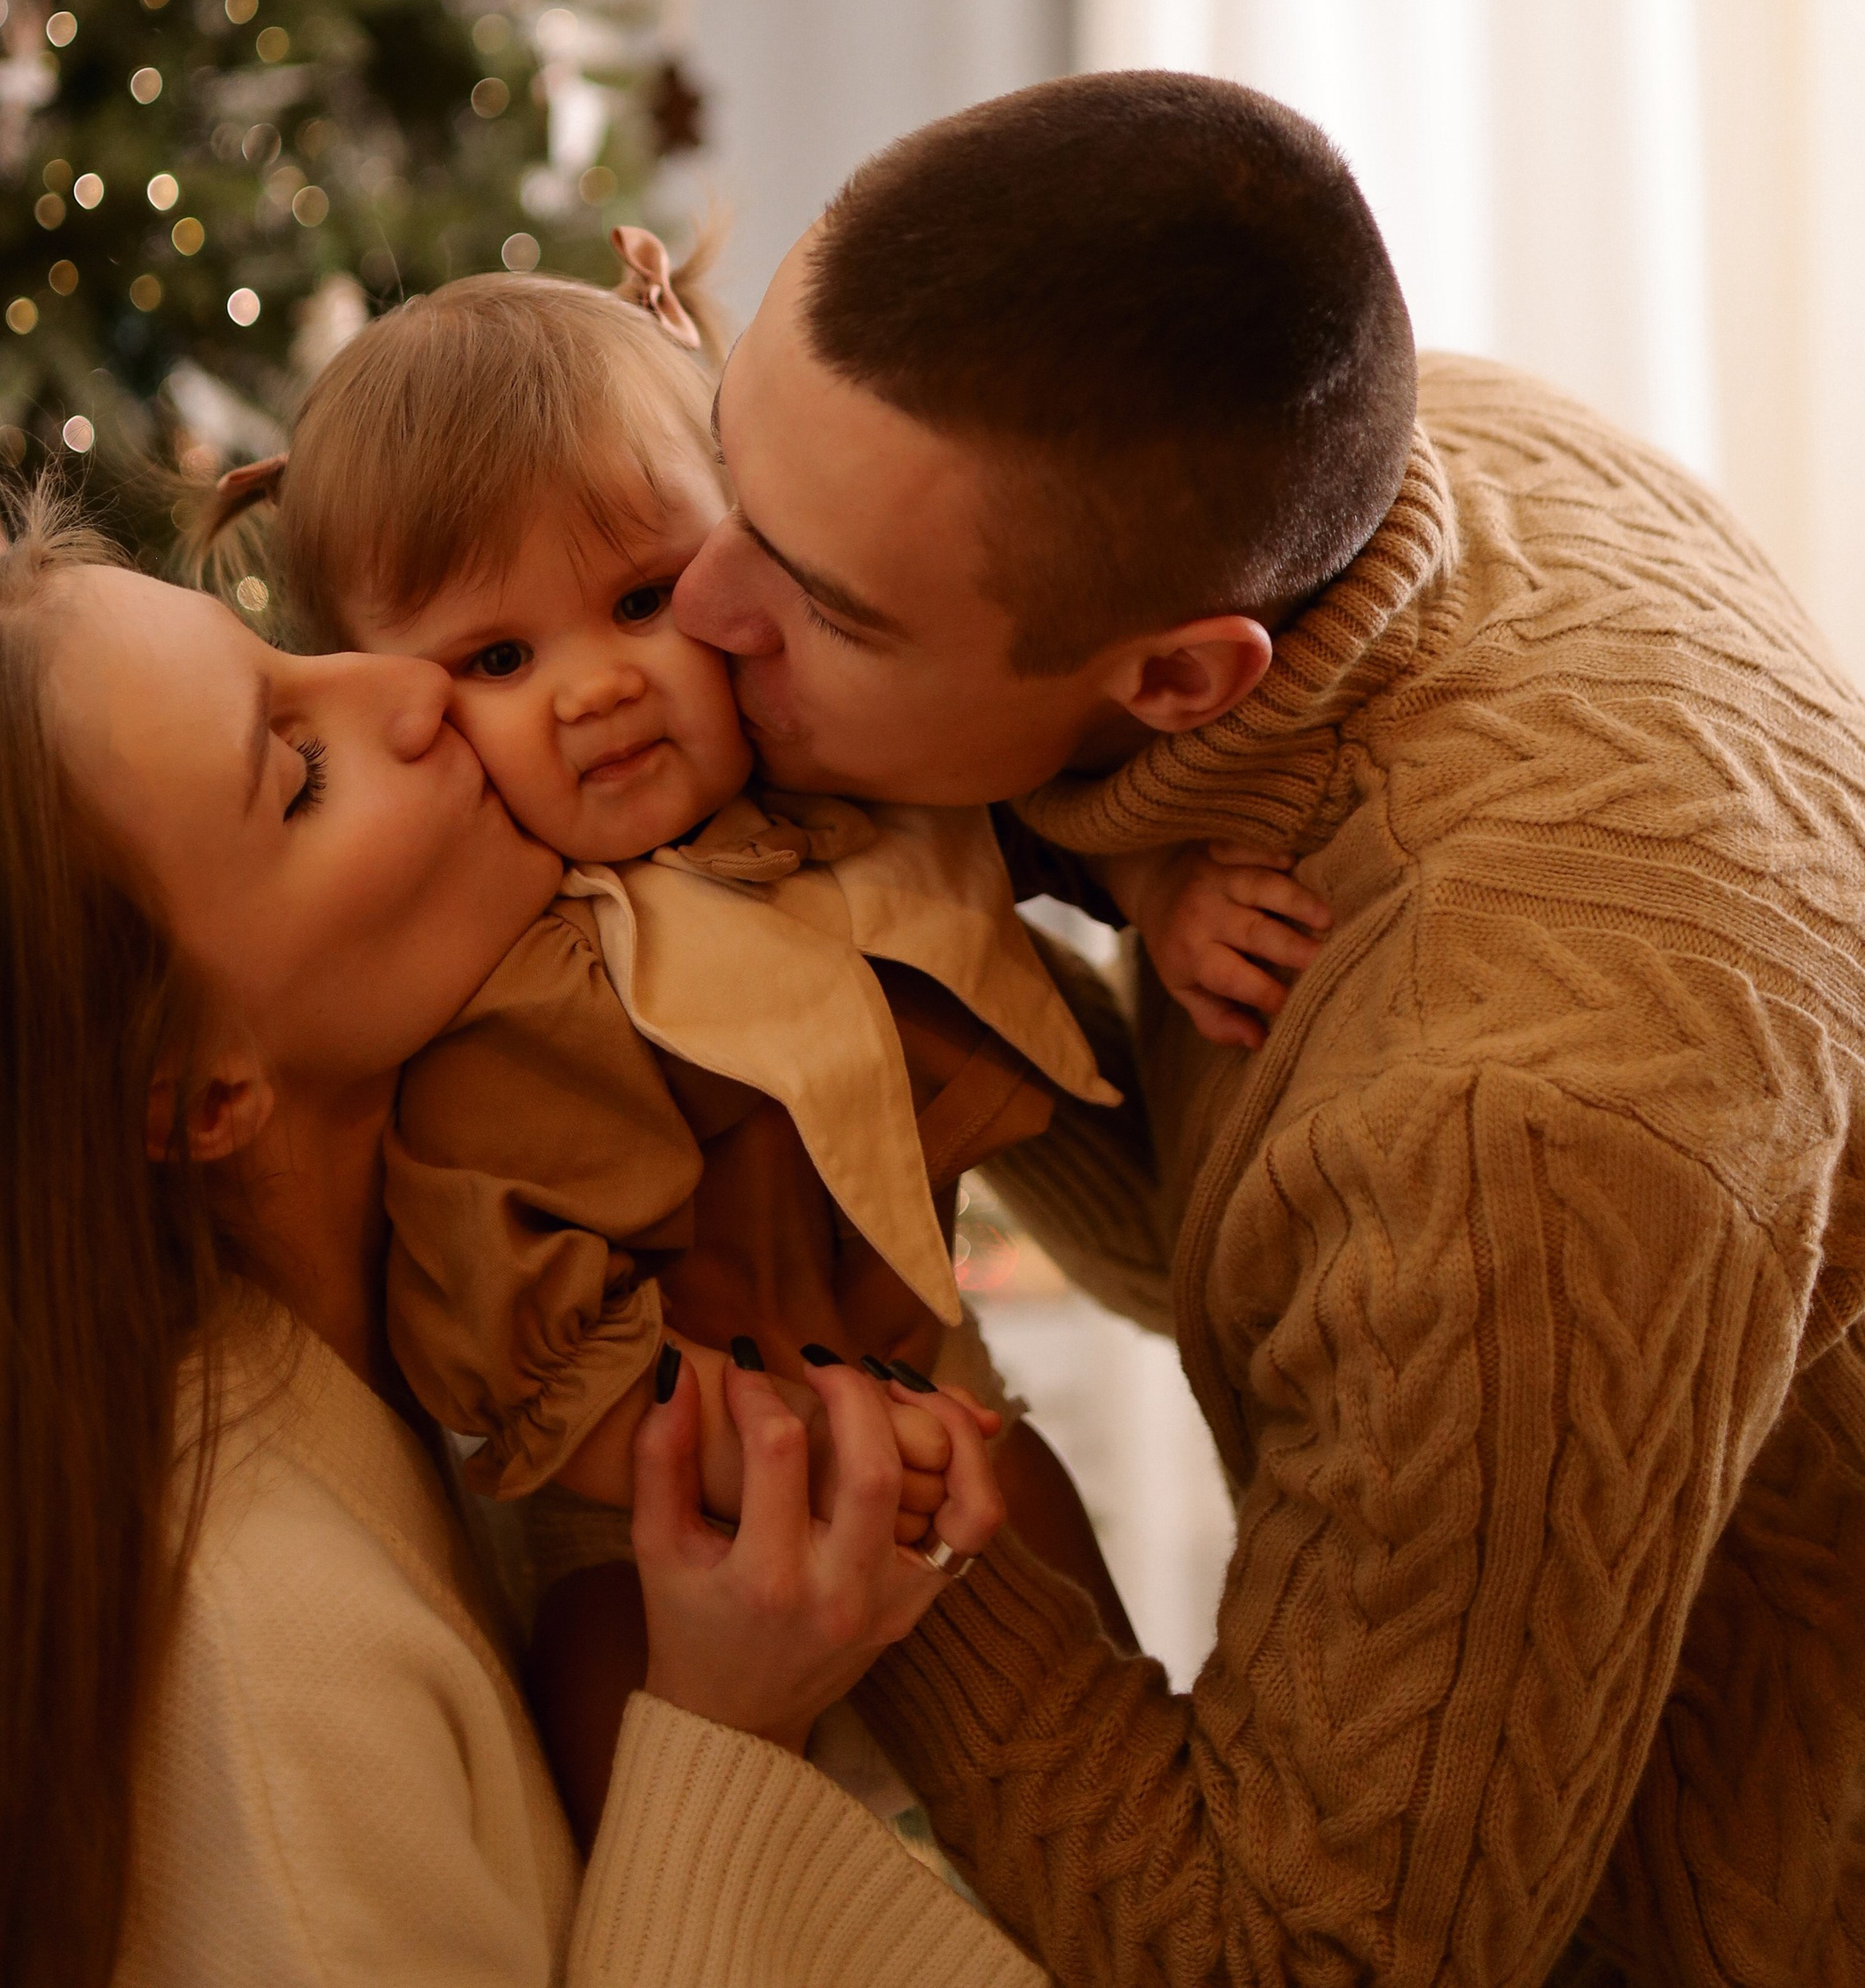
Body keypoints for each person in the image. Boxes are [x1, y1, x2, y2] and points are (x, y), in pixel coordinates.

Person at [670, 67, 1865, 1987]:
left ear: (1180, 679)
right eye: (725, 471)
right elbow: (1242, 1237)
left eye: (824, 612)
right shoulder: (1437, 447)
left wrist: (893, 1486)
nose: (695, 601)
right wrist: (889, 925)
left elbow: (1301, 1963)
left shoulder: (1516, 1128)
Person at [0, 518, 1035, 1988]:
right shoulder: (269, 1669)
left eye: (285, 655)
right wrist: (730, 1726)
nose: (414, 691)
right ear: (198, 1097)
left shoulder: (478, 1260)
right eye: (299, 774)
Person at [190, 243, 1164, 1832]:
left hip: (938, 1388)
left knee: (1096, 1719)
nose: (597, 690)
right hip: (646, 1493)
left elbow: (1035, 794)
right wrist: (773, 1456)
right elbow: (530, 1356)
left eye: (643, 599)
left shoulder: (836, 771)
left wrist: (1168, 887)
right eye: (497, 659)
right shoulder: (525, 988)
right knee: (630, 1756)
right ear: (402, 702)